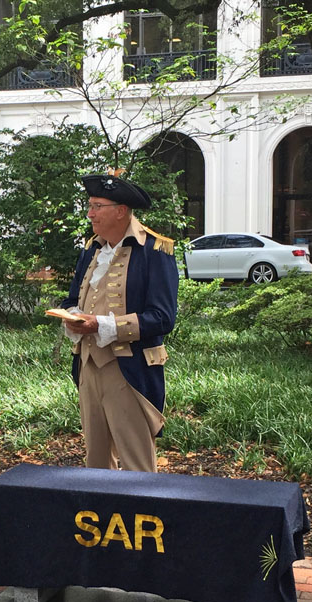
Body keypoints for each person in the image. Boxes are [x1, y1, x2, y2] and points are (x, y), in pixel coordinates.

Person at [61, 170, 178, 472]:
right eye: (90, 206)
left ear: (120, 211)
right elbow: (72, 299)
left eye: (97, 206)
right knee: (96, 463)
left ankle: (144, 505)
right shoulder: (91, 249)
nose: (90, 214)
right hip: (88, 365)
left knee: (138, 466)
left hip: (129, 370)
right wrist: (72, 317)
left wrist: (102, 326)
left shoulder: (154, 250)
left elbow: (163, 317)